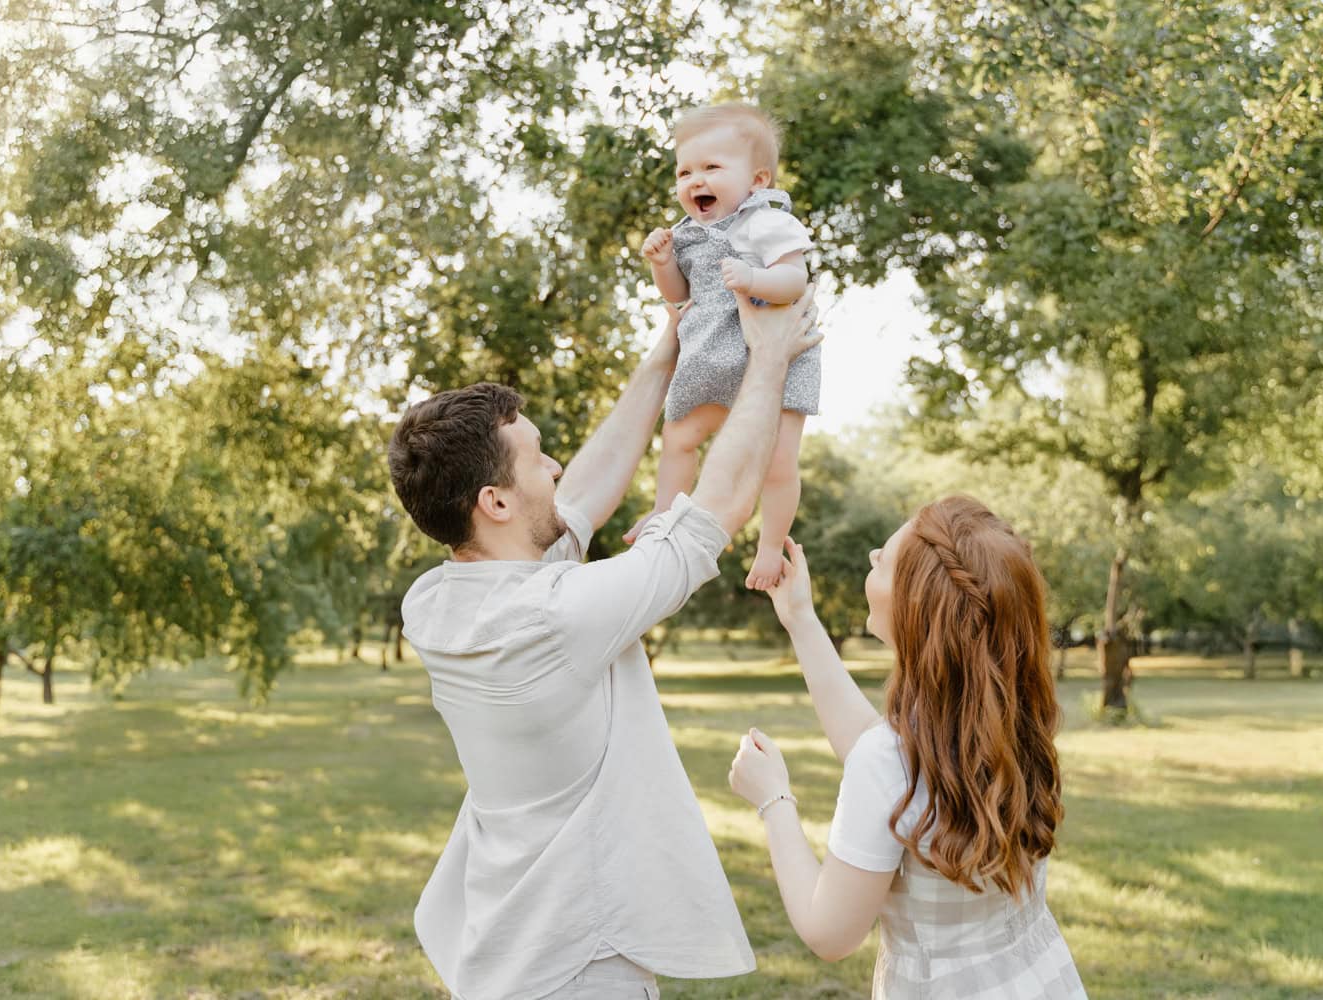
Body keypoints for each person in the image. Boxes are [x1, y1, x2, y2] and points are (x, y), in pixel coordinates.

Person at [387, 287, 821, 1000]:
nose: (555, 463)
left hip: (500, 959)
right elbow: (723, 503)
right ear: (494, 502)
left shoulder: (436, 603)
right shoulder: (557, 616)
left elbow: (580, 493)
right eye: (535, 457)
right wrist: (769, 360)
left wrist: (667, 349)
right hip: (580, 968)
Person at [727, 496, 1088, 998]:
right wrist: (801, 620)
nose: (873, 555)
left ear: (918, 608)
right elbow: (885, 765)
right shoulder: (1012, 724)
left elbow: (829, 932)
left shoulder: (892, 758)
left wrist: (774, 800)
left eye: (885, 562)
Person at [628, 102, 820, 592]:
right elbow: (678, 297)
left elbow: (795, 279)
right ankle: (663, 513)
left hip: (772, 354)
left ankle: (772, 545)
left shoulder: (765, 221)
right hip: (711, 352)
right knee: (678, 438)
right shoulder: (688, 233)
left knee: (777, 463)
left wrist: (756, 277)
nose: (695, 180)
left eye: (712, 168)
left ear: (757, 180)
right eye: (685, 171)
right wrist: (663, 262)